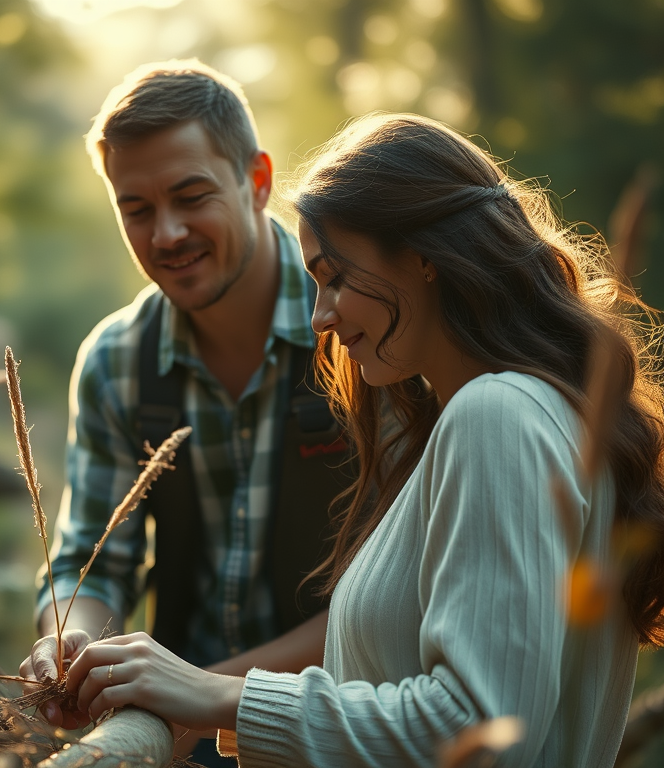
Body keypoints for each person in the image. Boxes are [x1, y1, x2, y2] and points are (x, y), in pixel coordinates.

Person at [61, 113, 664, 767]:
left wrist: (214, 693)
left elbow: (480, 733)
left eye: (336, 277)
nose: (320, 316)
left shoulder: (498, 417)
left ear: (424, 258)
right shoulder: (506, 419)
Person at [20, 61, 354, 763]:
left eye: (191, 195)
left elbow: (389, 597)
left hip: (340, 727)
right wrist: (69, 640)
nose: (166, 233)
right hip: (181, 741)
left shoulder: (354, 332)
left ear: (258, 181)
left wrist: (196, 692)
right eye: (135, 209)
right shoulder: (116, 361)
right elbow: (92, 558)